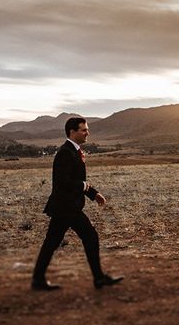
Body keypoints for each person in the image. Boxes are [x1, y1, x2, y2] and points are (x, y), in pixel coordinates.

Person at [31, 117, 123, 291]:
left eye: (87, 129)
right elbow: (62, 182)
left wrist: (94, 194)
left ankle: (38, 279)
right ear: (72, 132)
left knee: (51, 242)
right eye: (84, 130)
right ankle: (99, 278)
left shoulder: (74, 151)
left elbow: (77, 180)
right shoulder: (66, 152)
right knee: (90, 236)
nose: (87, 133)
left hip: (65, 207)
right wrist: (84, 187)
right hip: (67, 207)